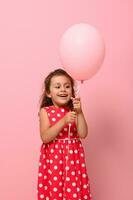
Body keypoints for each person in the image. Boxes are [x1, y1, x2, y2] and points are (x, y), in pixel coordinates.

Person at [37, 68, 92, 200]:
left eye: (67, 86)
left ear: (72, 91)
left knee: (73, 189)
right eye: (58, 86)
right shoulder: (46, 111)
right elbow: (45, 137)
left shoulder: (73, 111)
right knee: (55, 189)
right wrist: (63, 121)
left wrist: (79, 112)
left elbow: (83, 134)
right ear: (49, 93)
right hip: (54, 159)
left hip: (73, 159)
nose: (63, 89)